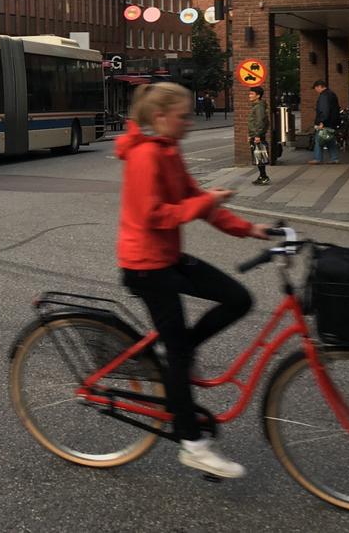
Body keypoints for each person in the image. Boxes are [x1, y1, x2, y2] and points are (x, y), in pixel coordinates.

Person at [116, 82, 270, 479]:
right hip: (146, 266)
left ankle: (177, 351)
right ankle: (193, 446)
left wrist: (249, 229)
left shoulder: (169, 150)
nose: (189, 121)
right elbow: (154, 215)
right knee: (180, 358)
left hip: (167, 257)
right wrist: (206, 201)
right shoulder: (145, 157)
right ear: (160, 117)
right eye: (184, 116)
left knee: (238, 298)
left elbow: (197, 200)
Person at [309, 79, 340, 165]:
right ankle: (334, 158)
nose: (315, 90)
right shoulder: (332, 94)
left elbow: (324, 109)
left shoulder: (324, 96)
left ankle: (317, 158)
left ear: (319, 86)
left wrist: (322, 121)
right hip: (332, 121)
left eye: (315, 88)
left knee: (318, 139)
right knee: (330, 139)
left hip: (325, 121)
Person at [247, 86, 270, 185]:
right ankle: (262, 176)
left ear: (258, 96)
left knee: (259, 156)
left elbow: (260, 122)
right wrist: (250, 134)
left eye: (252, 94)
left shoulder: (259, 107)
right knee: (258, 156)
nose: (249, 95)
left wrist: (257, 135)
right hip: (255, 134)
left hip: (258, 135)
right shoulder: (256, 106)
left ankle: (264, 177)